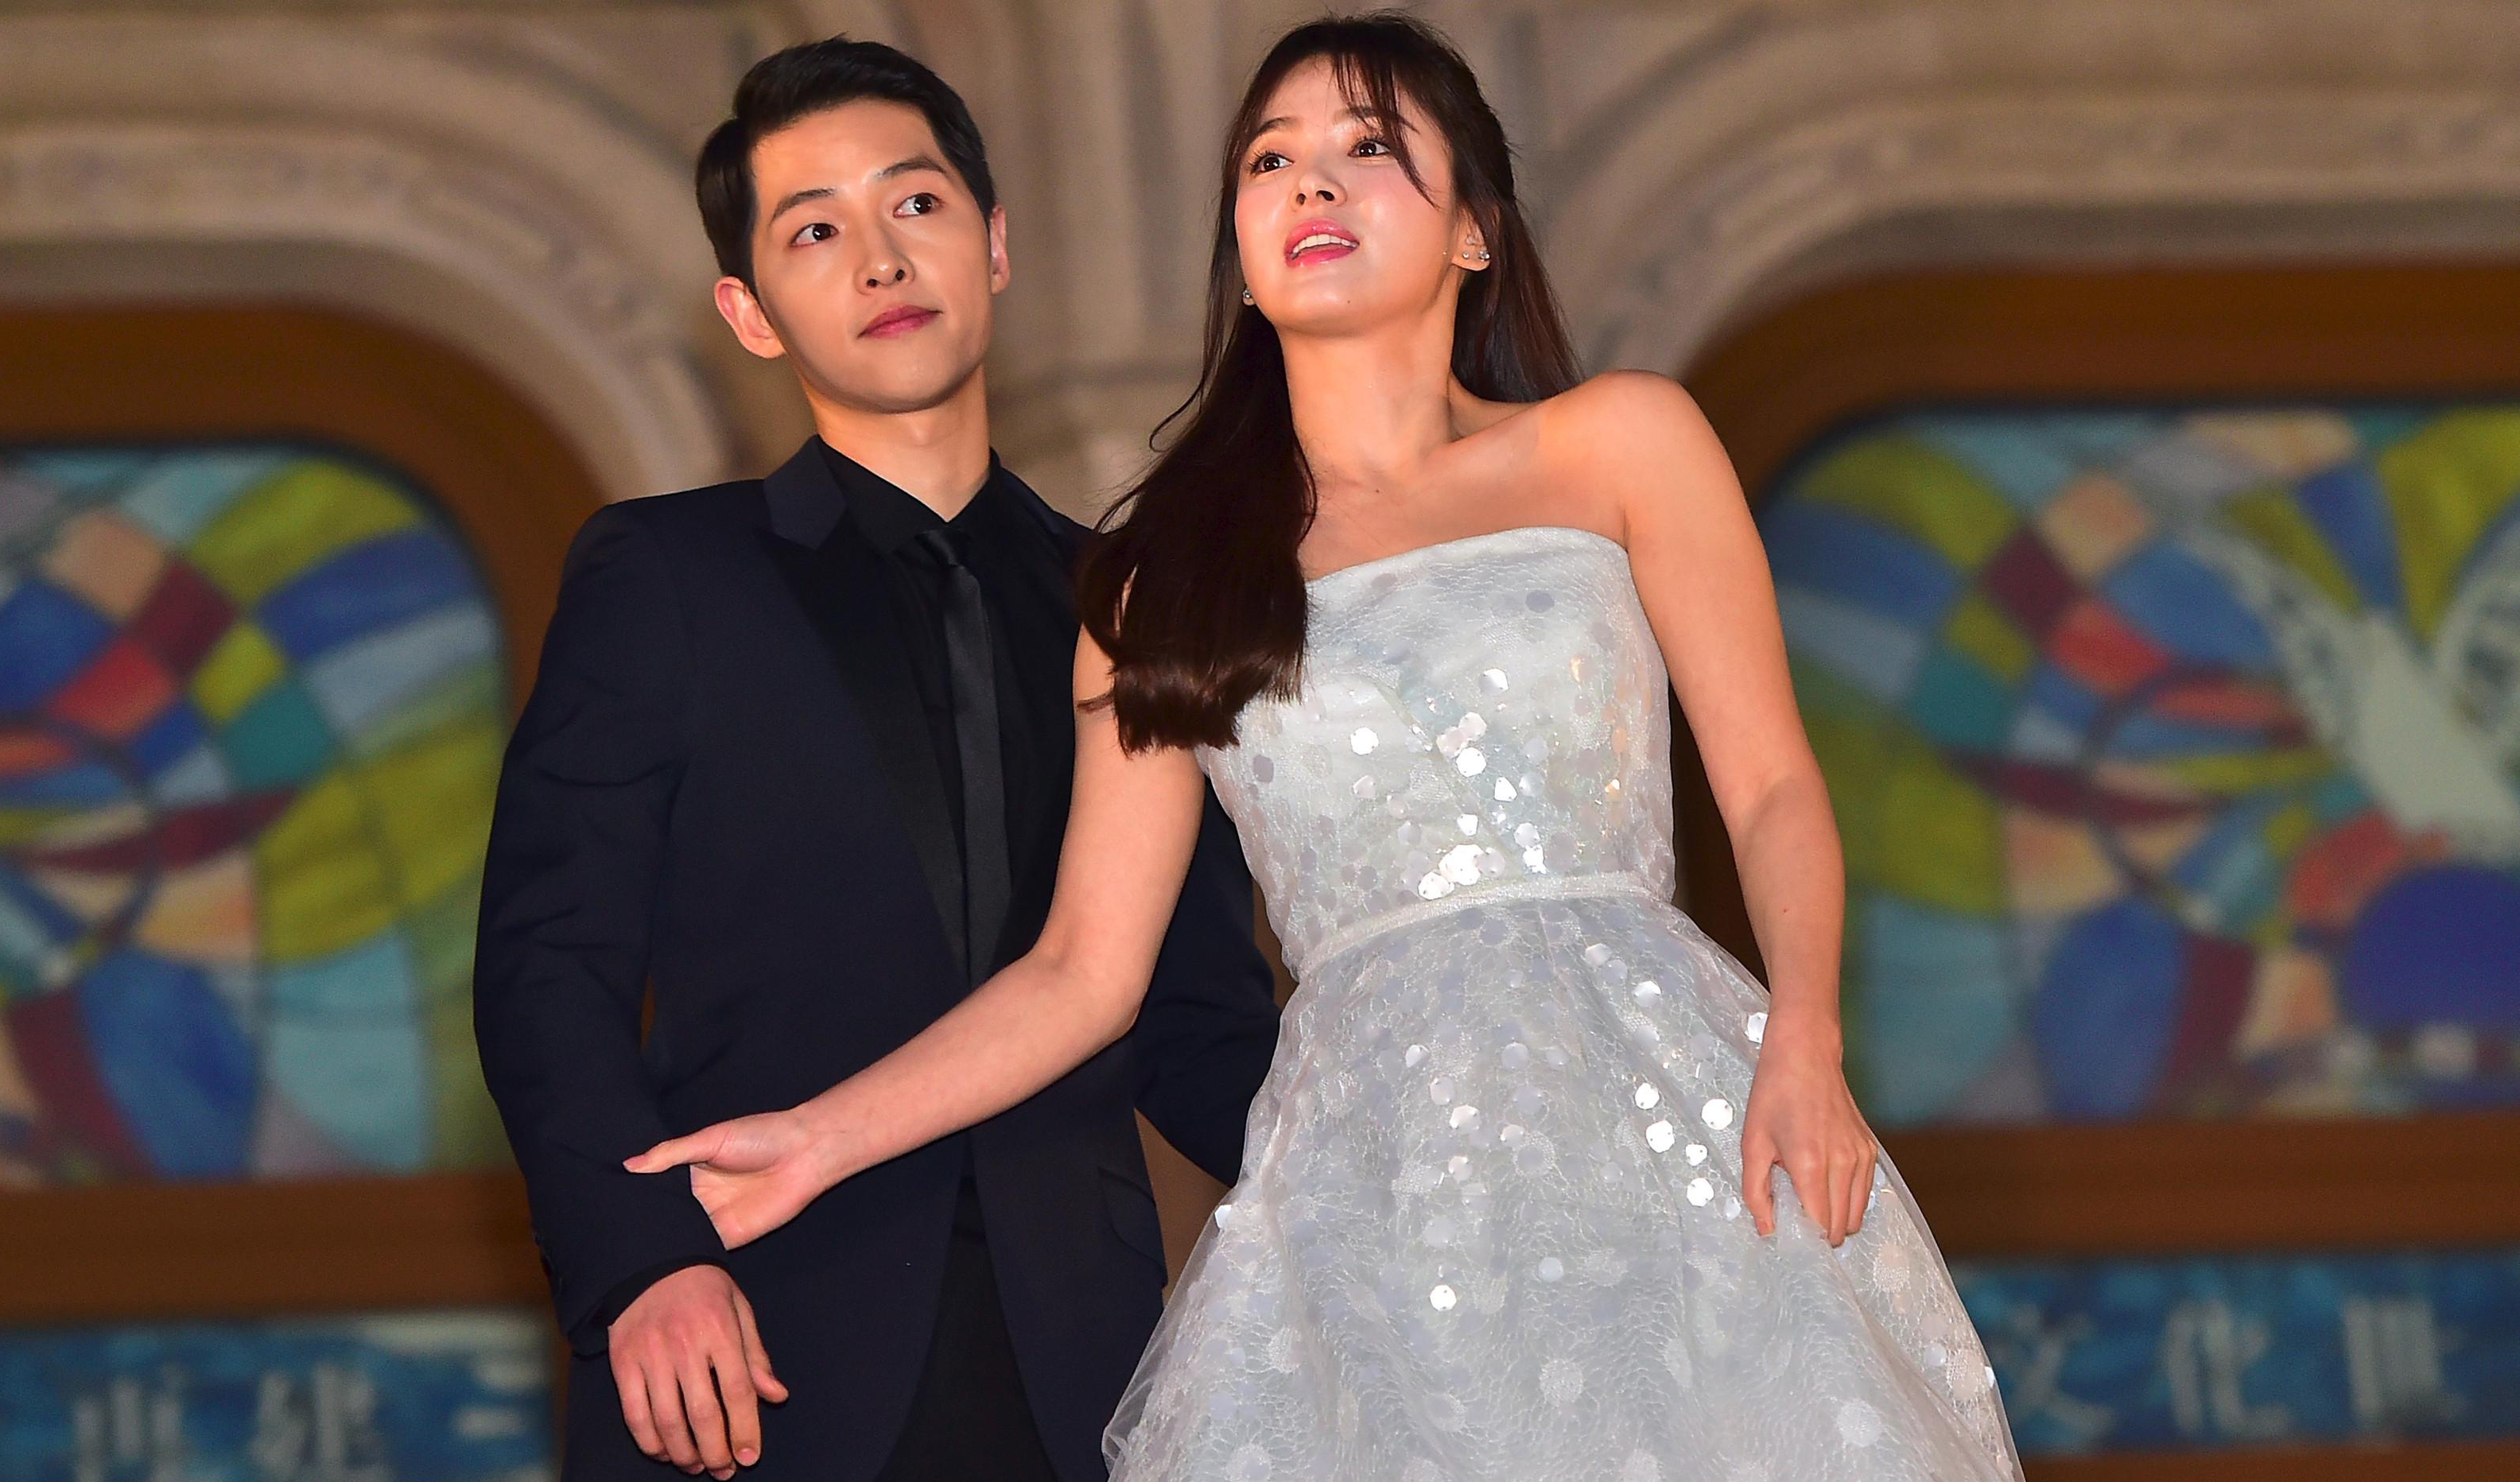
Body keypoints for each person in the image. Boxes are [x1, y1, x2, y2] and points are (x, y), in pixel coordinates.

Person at [627, 13, 2025, 1481]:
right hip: (1373, 1181)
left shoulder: (1620, 444)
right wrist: (818, 1138)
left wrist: (1805, 1031)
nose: (1314, 186)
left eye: (1370, 149)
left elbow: (1773, 783)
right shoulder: (1154, 577)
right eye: (1273, 160)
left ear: (1476, 228)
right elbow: (1084, 974)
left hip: (1666, 1116)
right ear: (1238, 244)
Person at [472, 37, 1283, 1482]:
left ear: (995, 241)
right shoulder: (665, 576)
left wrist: (1426, 1183)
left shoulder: (1133, 603)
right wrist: (639, 1268)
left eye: (915, 206)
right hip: (750, 1343)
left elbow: (1201, 1018)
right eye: (814, 231)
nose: (879, 260)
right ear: (752, 311)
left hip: (1078, 1368)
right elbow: (548, 966)